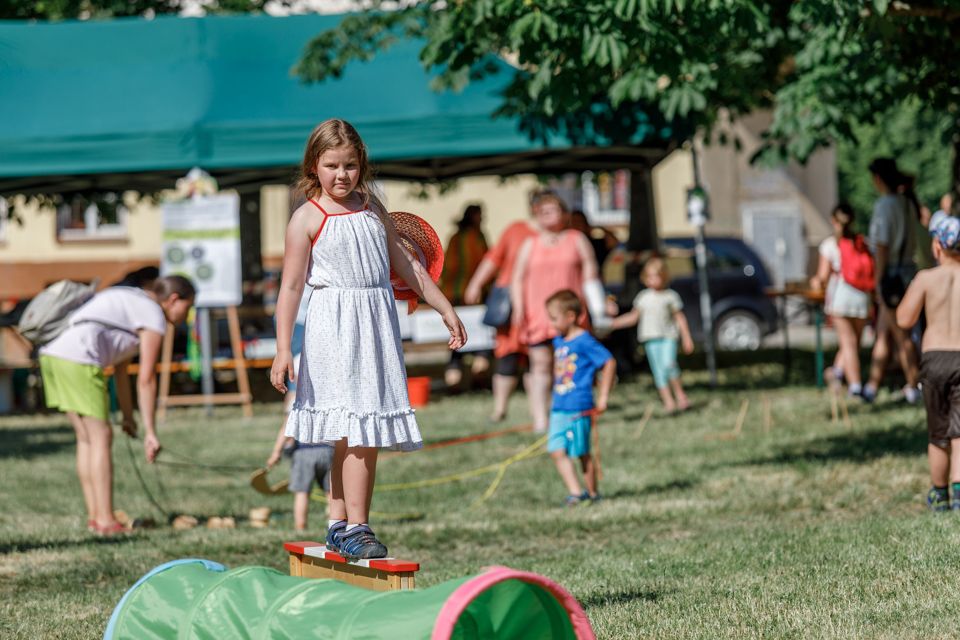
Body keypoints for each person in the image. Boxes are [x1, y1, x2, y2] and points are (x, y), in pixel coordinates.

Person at [271, 118, 466, 559]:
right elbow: (290, 287)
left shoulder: (373, 209)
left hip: (373, 324)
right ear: (313, 168)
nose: (342, 175)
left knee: (356, 427)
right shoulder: (307, 218)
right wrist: (284, 348)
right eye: (332, 166)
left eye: (351, 166)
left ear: (362, 166)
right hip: (333, 329)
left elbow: (408, 266)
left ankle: (339, 524)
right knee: (357, 425)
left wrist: (443, 306)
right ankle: (357, 525)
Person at [38, 276, 195, 535]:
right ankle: (107, 521)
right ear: (174, 300)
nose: (186, 315)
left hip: (54, 355)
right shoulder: (155, 316)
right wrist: (151, 434)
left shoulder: (134, 300)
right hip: (79, 357)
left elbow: (121, 369)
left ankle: (95, 516)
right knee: (101, 437)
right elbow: (146, 380)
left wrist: (127, 416)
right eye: (187, 308)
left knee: (86, 438)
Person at [511, 191, 603, 433]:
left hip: (571, 315)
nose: (546, 214)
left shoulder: (577, 239)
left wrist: (598, 307)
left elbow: (591, 274)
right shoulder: (529, 244)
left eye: (551, 209)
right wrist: (518, 308)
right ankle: (541, 417)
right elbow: (517, 279)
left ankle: (574, 411)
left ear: (564, 214)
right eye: (541, 211)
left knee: (574, 363)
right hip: (539, 314)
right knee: (540, 363)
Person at [895, 215, 960, 511]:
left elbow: (903, 319)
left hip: (934, 361)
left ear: (937, 246)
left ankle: (939, 492)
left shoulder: (925, 279)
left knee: (938, 433)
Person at [464, 210, 537, 422]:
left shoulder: (560, 235)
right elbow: (494, 258)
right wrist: (476, 283)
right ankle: (500, 410)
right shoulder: (516, 230)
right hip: (509, 303)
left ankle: (538, 411)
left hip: (538, 304)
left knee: (537, 357)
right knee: (508, 355)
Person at [266, 288, 329, 531]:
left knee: (301, 492)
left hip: (303, 452)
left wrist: (275, 453)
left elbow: (288, 427)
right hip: (329, 449)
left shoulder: (298, 400)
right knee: (334, 491)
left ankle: (300, 526)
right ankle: (336, 522)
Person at [545, 290, 616, 506]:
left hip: (579, 406)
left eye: (554, 319)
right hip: (559, 407)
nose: (552, 324)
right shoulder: (558, 341)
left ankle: (593, 494)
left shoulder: (585, 341)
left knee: (582, 453)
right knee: (557, 451)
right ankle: (576, 493)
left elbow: (609, 361)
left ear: (570, 316)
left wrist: (603, 396)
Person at [862, 158, 920, 404]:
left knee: (901, 334)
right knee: (884, 332)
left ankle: (914, 385)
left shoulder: (885, 205)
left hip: (892, 277)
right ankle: (871, 386)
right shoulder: (908, 203)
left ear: (878, 179)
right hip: (908, 272)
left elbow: (882, 247)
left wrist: (877, 283)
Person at [610, 258, 694, 413]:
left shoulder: (670, 296)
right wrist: (614, 323)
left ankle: (681, 396)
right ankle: (668, 402)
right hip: (650, 339)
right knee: (659, 372)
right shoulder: (643, 297)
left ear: (664, 276)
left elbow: (679, 318)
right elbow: (633, 317)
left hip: (668, 337)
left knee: (669, 365)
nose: (652, 280)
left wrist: (687, 337)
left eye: (655, 276)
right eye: (649, 276)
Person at [809, 204, 872, 397]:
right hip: (863, 296)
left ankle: (854, 385)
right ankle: (837, 372)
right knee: (855, 342)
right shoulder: (862, 242)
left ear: (833, 220)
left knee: (848, 343)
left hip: (841, 296)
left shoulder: (829, 245)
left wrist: (815, 282)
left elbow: (822, 276)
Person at [440, 204, 490, 388]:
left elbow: (446, 268)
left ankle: (454, 381)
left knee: (456, 340)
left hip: (453, 295)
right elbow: (484, 263)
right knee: (480, 339)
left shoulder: (455, 238)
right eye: (480, 215)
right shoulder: (476, 238)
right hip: (472, 296)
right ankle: (479, 377)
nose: (482, 219)